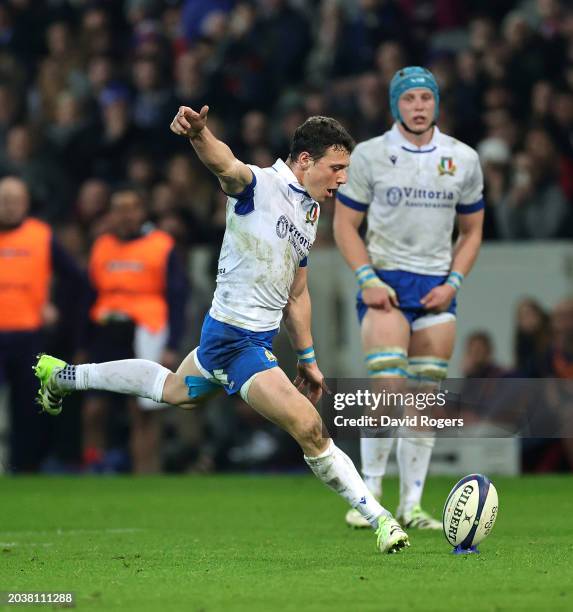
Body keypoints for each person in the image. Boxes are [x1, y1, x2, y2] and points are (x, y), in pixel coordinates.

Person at [34, 105, 410, 553]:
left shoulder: (308, 214)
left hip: (228, 337)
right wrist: (199, 134)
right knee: (310, 428)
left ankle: (62, 376)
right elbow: (226, 166)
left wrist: (308, 359)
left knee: (174, 391)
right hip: (239, 342)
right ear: (305, 160)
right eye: (337, 168)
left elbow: (297, 293)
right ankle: (382, 520)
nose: (342, 179)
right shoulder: (261, 185)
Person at [333, 67, 484, 530]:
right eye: (409, 99)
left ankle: (412, 505)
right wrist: (367, 279)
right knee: (387, 389)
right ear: (395, 104)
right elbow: (343, 225)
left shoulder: (463, 158)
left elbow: (473, 230)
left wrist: (454, 283)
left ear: (435, 103)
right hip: (387, 285)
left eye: (425, 98)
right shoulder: (370, 156)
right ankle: (370, 496)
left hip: (437, 286)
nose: (418, 106)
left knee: (425, 400)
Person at [82, 188, 188, 473]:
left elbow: (177, 297)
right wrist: (83, 342)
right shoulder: (102, 245)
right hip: (106, 330)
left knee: (143, 409)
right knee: (94, 409)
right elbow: (89, 294)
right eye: (119, 208)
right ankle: (95, 468)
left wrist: (172, 344)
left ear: (142, 211)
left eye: (131, 208)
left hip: (145, 332)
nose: (125, 215)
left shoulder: (161, 245)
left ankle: (146, 473)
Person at [0, 176, 87, 472]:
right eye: (4, 201)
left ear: (25, 203)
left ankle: (25, 468)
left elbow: (75, 278)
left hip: (28, 334)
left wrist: (55, 306)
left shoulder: (40, 235)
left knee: (28, 407)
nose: (10, 207)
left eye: (15, 201)